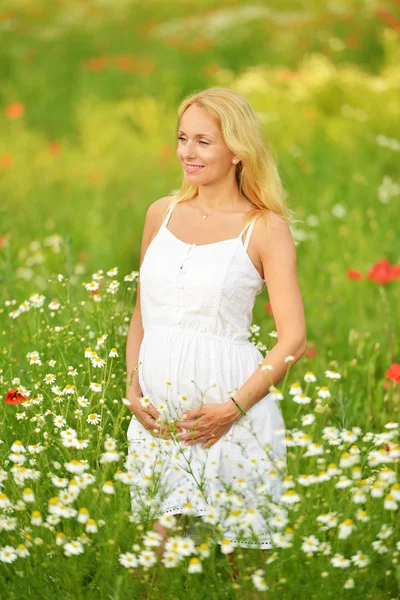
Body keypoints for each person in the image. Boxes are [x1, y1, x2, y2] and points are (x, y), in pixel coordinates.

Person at [125, 86, 306, 561]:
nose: (188, 152)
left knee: (244, 568)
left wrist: (233, 408)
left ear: (237, 150)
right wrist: (132, 387)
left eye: (204, 141)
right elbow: (143, 310)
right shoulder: (160, 214)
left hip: (230, 409)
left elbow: (293, 338)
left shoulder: (264, 227)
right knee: (150, 562)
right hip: (161, 417)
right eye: (183, 138)